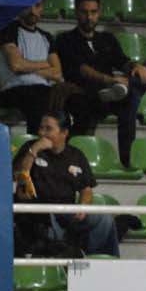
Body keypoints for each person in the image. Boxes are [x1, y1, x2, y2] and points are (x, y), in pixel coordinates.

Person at [52, 0, 146, 166]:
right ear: (76, 13)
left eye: (93, 12)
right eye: (84, 12)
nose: (89, 17)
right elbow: (83, 70)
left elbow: (122, 62)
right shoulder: (65, 39)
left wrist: (135, 67)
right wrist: (110, 81)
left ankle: (129, 88)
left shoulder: (107, 39)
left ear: (99, 13)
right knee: (132, 98)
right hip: (86, 93)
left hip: (113, 93)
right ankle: (127, 160)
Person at [12, 110, 119, 257]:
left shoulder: (76, 155)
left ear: (64, 133)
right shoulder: (29, 148)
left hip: (67, 211)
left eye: (48, 129)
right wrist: (34, 151)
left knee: (103, 218)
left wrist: (83, 206)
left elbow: (86, 189)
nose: (42, 133)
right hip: (40, 212)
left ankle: (96, 259)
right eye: (41, 128)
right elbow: (19, 177)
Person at [0, 0, 64, 133]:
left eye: (37, 6)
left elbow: (57, 73)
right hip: (15, 90)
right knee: (39, 101)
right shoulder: (7, 30)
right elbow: (16, 65)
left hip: (43, 90)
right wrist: (45, 64)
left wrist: (28, 67)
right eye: (28, 6)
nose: (32, 11)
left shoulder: (47, 37)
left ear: (42, 8)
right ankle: (35, 147)